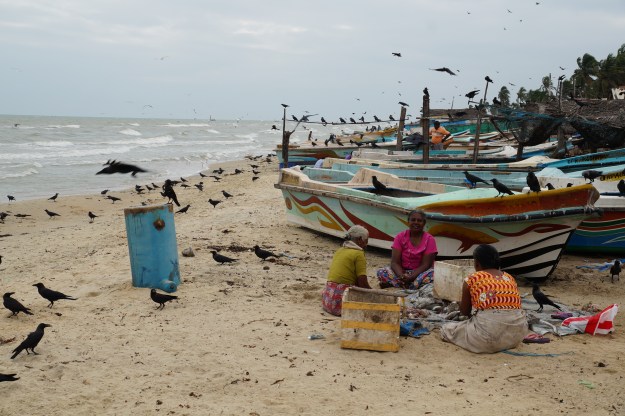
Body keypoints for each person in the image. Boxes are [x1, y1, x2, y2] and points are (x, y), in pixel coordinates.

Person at [440, 244, 528, 354]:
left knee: (447, 329)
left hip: (487, 337)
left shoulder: (472, 279)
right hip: (516, 336)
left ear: (476, 263)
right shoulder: (509, 278)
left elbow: (465, 311)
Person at [377, 209, 437, 289]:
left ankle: (402, 285)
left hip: (421, 273)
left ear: (424, 223)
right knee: (381, 272)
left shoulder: (430, 239)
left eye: (419, 221)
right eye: (413, 220)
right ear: (408, 221)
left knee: (434, 275)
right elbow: (395, 262)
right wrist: (402, 276)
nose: (416, 222)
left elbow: (426, 264)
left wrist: (412, 277)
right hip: (403, 272)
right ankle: (411, 286)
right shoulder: (400, 237)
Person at [321, 225, 371, 316]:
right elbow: (362, 283)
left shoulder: (340, 250)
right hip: (341, 305)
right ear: (360, 239)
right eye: (366, 240)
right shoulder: (359, 254)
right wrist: (373, 294)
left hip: (327, 301)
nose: (366, 244)